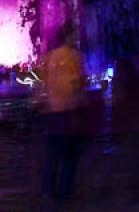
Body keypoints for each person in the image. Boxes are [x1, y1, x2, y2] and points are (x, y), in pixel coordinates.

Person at [39, 25, 89, 200]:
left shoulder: (49, 56)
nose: (77, 38)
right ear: (68, 36)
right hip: (68, 110)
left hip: (52, 110)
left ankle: (47, 189)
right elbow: (78, 84)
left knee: (52, 154)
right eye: (75, 34)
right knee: (69, 154)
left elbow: (42, 84)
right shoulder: (74, 57)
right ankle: (66, 190)